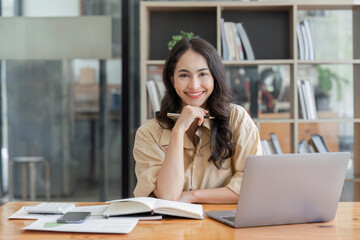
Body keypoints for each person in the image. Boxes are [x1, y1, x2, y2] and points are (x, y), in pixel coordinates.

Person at [133, 38, 262, 204]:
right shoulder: (148, 133)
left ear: (214, 77)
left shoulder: (237, 119)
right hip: (170, 228)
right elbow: (168, 195)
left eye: (203, 74)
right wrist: (178, 132)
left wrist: (192, 196)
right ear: (172, 79)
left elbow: (252, 186)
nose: (194, 85)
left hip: (224, 225)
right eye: (184, 75)